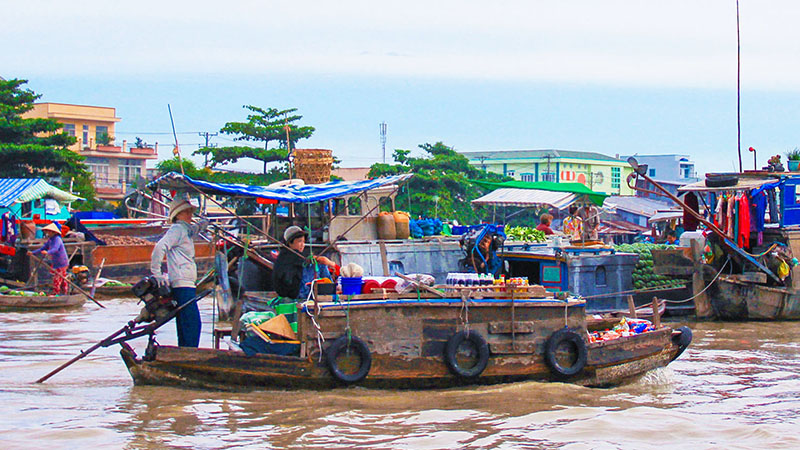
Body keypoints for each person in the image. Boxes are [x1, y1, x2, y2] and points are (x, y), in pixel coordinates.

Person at [150, 196, 202, 347]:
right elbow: (160, 247)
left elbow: (194, 230)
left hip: (187, 282)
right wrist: (157, 273)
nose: (190, 215)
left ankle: (186, 350)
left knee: (187, 322)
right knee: (192, 323)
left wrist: (203, 224)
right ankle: (189, 352)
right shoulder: (177, 229)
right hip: (182, 283)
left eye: (190, 212)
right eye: (186, 213)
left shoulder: (185, 230)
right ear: (178, 215)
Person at [32, 222, 69, 295]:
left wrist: (47, 252)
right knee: (61, 279)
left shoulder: (57, 239)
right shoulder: (50, 240)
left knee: (58, 279)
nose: (47, 233)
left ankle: (57, 293)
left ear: (53, 232)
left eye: (49, 231)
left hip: (61, 262)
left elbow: (55, 249)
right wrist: (33, 252)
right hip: (56, 262)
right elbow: (42, 248)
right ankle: (64, 293)